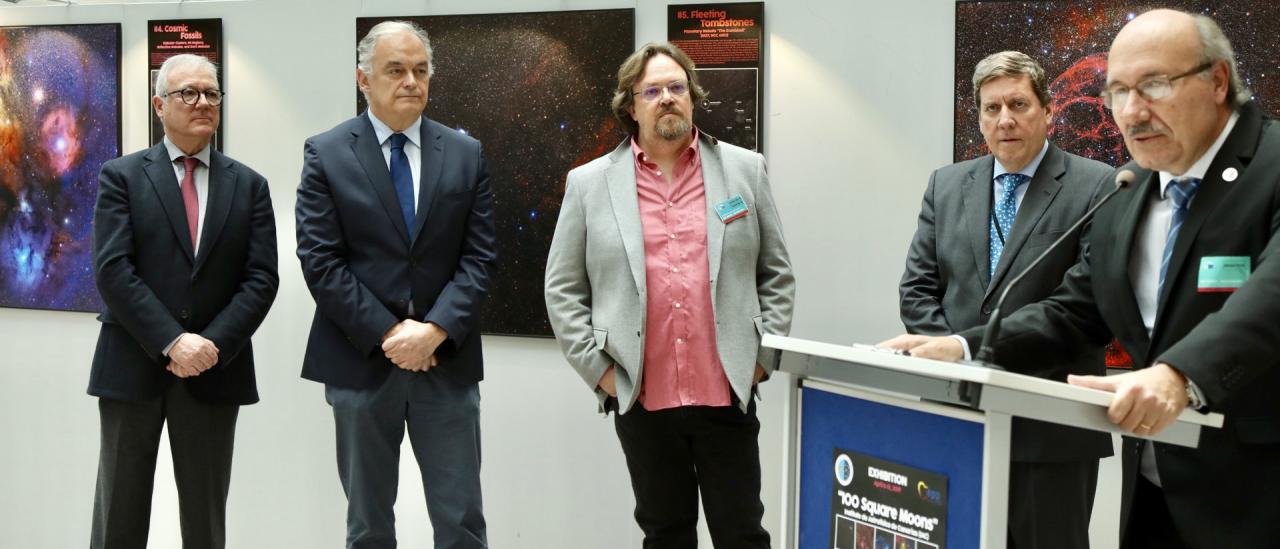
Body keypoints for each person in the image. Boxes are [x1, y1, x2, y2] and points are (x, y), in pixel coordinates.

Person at [883, 9, 1280, 548]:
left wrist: (1178, 376)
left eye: (1154, 85)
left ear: (1216, 81)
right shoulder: (1132, 188)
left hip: (1258, 487)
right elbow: (1075, 310)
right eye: (1117, 92)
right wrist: (963, 347)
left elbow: (1269, 297)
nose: (1132, 111)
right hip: (1155, 482)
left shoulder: (1272, 165)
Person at [544, 42, 795, 549]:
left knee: (742, 533)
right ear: (630, 105)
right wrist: (602, 374)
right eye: (652, 90)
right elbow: (563, 288)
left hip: (728, 390)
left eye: (676, 87)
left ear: (693, 97)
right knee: (665, 535)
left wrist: (762, 359)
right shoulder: (589, 185)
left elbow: (778, 275)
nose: (666, 98)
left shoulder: (745, 170)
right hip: (641, 396)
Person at [897, 50, 1113, 549]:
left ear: (1048, 111)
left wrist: (971, 348)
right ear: (979, 117)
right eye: (991, 108)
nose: (1005, 120)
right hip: (957, 419)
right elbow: (917, 289)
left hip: (1051, 428)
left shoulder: (1096, 185)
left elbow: (1086, 308)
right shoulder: (947, 184)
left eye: (1018, 104)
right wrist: (956, 358)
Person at [295, 20, 495, 549]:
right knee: (368, 527)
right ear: (364, 79)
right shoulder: (327, 152)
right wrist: (390, 334)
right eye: (396, 70)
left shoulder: (465, 153)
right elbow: (320, 261)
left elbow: (480, 258)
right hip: (360, 364)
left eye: (421, 70)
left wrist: (432, 332)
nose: (411, 81)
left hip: (445, 363)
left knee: (462, 523)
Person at [89, 53, 279, 549]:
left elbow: (261, 279)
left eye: (211, 93)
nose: (202, 103)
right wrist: (172, 341)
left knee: (205, 520)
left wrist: (209, 346)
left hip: (216, 372)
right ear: (159, 104)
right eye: (188, 93)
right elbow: (113, 270)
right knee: (119, 516)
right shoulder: (122, 176)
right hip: (132, 365)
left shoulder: (250, 186)